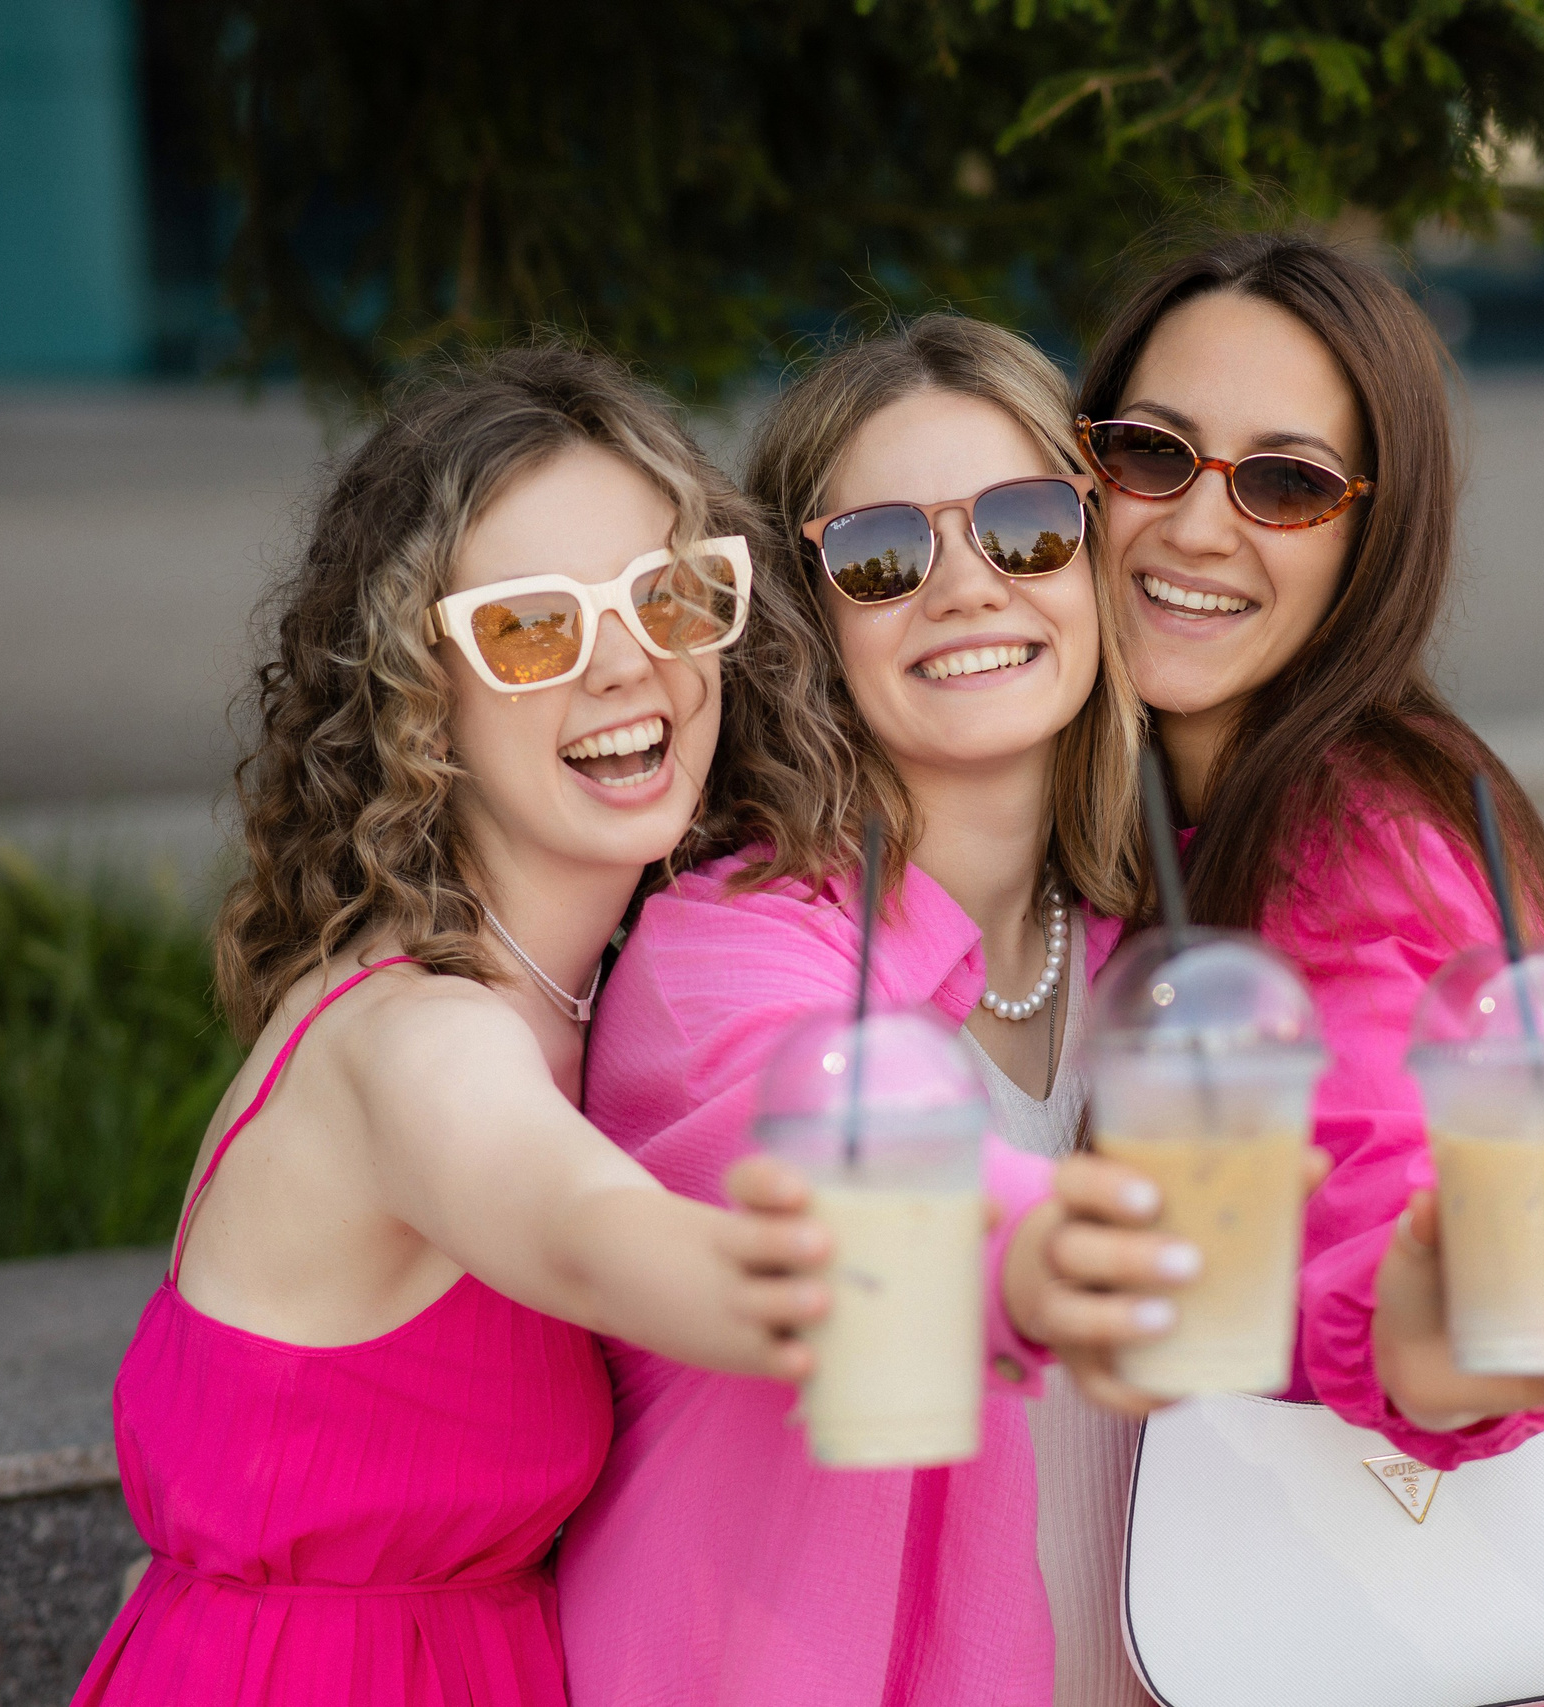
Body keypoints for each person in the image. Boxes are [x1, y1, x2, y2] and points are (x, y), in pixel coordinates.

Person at [70, 347, 837, 1707]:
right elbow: (592, 1241)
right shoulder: (422, 1039)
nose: (626, 662)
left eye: (668, 595)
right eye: (532, 627)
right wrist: (942, 1278)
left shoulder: (585, 990)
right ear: (416, 695)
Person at [1060, 230, 1544, 1706]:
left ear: (1369, 537)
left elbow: (1379, 1173)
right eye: (1156, 453)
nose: (1201, 528)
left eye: (1284, 483)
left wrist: (1429, 1325)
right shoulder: (1152, 807)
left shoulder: (1355, 845)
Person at [555, 316, 1219, 1707]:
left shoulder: (1160, 953)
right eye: (884, 554)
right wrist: (1043, 1257)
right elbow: (849, 1167)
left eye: (1028, 527)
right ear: (808, 615)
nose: (967, 587)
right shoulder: (718, 956)